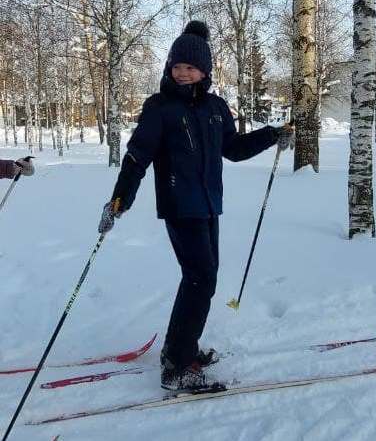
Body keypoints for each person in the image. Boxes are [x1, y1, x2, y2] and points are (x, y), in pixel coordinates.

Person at [99, 20, 294, 391]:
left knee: (204, 279)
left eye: (191, 67)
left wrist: (272, 135)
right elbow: (137, 157)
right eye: (177, 66)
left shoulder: (216, 108)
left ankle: (180, 348)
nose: (183, 73)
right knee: (200, 278)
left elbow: (233, 149)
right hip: (179, 206)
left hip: (208, 205)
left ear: (204, 70)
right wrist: (120, 200)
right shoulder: (160, 108)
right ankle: (177, 366)